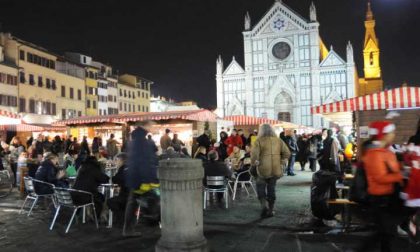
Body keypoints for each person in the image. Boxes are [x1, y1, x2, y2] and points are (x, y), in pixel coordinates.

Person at [359, 121, 404, 252]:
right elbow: (380, 177)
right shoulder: (375, 153)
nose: (393, 134)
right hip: (379, 198)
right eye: (391, 132)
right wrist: (401, 174)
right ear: (383, 135)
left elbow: (392, 169)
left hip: (388, 196)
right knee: (384, 233)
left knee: (385, 233)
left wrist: (402, 168)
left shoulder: (385, 151)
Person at [124, 121, 159, 237]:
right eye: (150, 125)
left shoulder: (133, 141)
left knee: (132, 203)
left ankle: (128, 229)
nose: (152, 127)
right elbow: (145, 162)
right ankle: (149, 219)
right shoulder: (144, 142)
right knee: (154, 199)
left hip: (134, 178)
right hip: (142, 178)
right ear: (145, 126)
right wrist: (151, 179)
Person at [251, 124, 291, 218]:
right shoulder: (278, 140)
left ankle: (263, 207)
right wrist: (281, 162)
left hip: (262, 170)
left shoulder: (259, 141)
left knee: (260, 187)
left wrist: (254, 163)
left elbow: (254, 157)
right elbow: (287, 153)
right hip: (276, 170)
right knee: (271, 189)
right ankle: (271, 210)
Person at [107, 153, 129, 224]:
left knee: (110, 201)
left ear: (121, 160)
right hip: (132, 195)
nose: (116, 162)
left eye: (117, 160)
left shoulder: (122, 169)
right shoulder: (129, 168)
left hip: (126, 196)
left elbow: (115, 179)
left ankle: (122, 220)